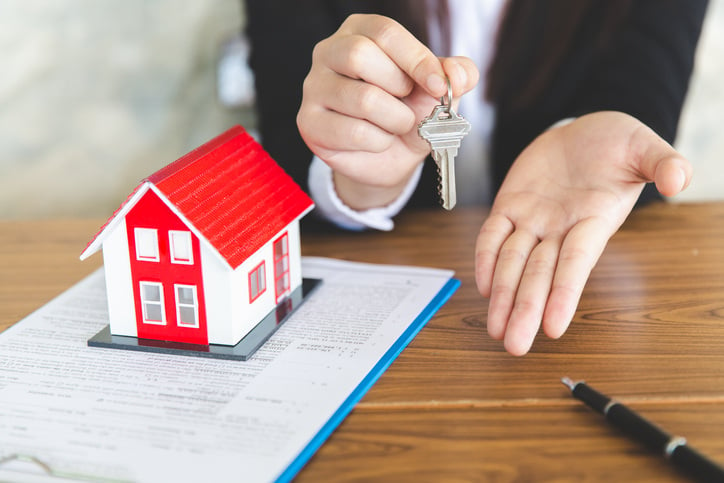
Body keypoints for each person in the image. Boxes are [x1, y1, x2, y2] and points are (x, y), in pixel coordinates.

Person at [245, 0, 708, 355]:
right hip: (372, 301)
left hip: (607, 290)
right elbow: (289, 143)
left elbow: (643, 100)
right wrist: (360, 180)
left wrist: (596, 135)